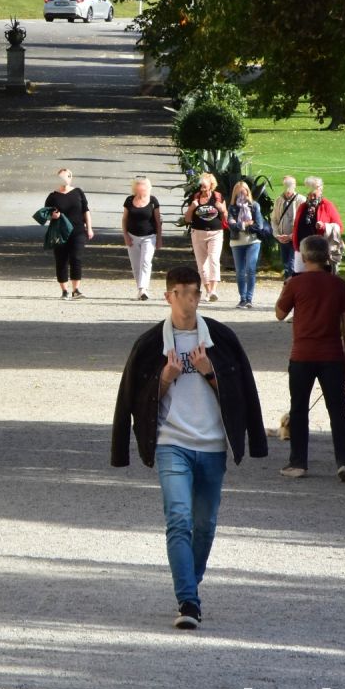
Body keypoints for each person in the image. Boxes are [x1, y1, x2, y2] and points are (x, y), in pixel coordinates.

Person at [112, 265, 267, 630]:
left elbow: (244, 392)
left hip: (212, 445)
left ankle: (188, 583)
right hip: (171, 443)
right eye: (180, 292)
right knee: (178, 519)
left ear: (200, 295)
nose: (187, 300)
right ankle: (188, 601)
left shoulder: (222, 339)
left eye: (193, 292)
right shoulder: (151, 344)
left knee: (205, 524)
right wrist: (164, 380)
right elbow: (131, 401)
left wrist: (209, 372)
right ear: (168, 297)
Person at [274, 235, 345, 482]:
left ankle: (298, 462)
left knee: (299, 409)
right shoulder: (339, 285)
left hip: (302, 354)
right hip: (331, 354)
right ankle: (344, 462)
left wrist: (285, 287)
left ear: (305, 256)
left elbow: (280, 313)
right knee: (338, 411)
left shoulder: (296, 284)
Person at [44, 168, 93, 299]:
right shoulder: (52, 196)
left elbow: (86, 211)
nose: (65, 179)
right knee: (61, 260)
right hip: (59, 232)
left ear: (71, 178)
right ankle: (64, 291)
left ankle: (76, 289)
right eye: (62, 177)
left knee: (76, 258)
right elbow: (45, 214)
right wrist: (52, 216)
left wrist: (89, 228)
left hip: (78, 231)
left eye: (67, 177)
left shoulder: (78, 192)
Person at [182, 173, 228, 302]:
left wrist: (222, 209)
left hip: (215, 233)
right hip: (198, 233)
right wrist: (192, 208)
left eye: (205, 187)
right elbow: (187, 219)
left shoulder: (218, 197)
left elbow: (225, 217)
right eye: (201, 186)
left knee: (214, 260)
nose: (202, 189)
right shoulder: (195, 197)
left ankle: (214, 290)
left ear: (211, 186)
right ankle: (207, 290)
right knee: (201, 264)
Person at [122, 176, 162, 300]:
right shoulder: (129, 200)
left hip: (149, 236)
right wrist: (126, 236)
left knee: (145, 262)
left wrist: (159, 238)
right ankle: (140, 289)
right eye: (139, 189)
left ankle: (143, 289)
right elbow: (124, 220)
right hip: (132, 236)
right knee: (135, 264)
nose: (141, 192)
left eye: (144, 189)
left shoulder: (153, 201)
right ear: (135, 189)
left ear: (148, 189)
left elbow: (158, 221)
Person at [226, 179, 264, 309]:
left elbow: (259, 225)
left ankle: (249, 299)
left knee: (250, 269)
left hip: (253, 241)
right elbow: (231, 226)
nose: (243, 195)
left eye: (245, 192)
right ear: (235, 194)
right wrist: (246, 224)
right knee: (240, 272)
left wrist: (242, 226)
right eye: (239, 193)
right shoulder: (232, 207)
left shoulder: (255, 206)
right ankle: (242, 298)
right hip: (237, 242)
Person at [291, 177, 343, 265]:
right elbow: (297, 227)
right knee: (300, 277)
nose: (312, 197)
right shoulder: (302, 207)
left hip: (319, 253)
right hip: (301, 251)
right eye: (310, 194)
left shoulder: (327, 206)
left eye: (314, 194)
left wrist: (324, 226)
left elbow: (339, 227)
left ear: (320, 191)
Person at [271, 176, 301, 280]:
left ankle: (291, 283)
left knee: (291, 264)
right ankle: (289, 283)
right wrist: (277, 235)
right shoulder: (279, 200)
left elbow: (302, 222)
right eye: (287, 185)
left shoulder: (300, 200)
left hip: (295, 237)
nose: (289, 187)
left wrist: (291, 236)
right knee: (285, 262)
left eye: (291, 185)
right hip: (282, 238)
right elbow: (274, 219)